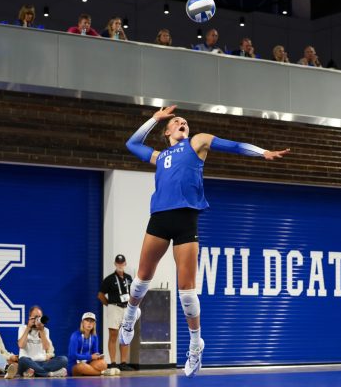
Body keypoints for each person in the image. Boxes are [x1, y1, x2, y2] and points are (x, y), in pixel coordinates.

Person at [122, 105, 290, 377]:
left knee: (187, 291)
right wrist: (155, 118)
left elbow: (233, 145)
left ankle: (195, 344)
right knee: (142, 277)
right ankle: (130, 315)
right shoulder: (160, 155)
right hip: (160, 218)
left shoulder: (197, 142)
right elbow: (132, 143)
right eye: (176, 121)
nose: (182, 123)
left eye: (184, 121)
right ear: (167, 131)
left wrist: (263, 152)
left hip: (187, 218)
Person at [98, 254, 135, 371]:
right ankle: (113, 362)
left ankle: (123, 363)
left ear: (125, 264)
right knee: (113, 335)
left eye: (122, 263)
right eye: (118, 263)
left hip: (127, 308)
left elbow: (134, 293)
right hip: (114, 307)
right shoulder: (109, 279)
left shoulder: (129, 278)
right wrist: (109, 304)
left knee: (126, 335)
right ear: (115, 264)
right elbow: (100, 295)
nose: (120, 265)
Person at [17, 305, 68, 377]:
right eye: (35, 317)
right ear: (30, 317)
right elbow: (21, 345)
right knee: (22, 360)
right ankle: (50, 374)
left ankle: (33, 373)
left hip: (42, 363)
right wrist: (28, 328)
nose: (38, 319)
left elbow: (46, 347)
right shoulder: (23, 328)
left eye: (39, 317)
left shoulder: (45, 330)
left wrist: (41, 330)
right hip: (28, 363)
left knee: (64, 359)